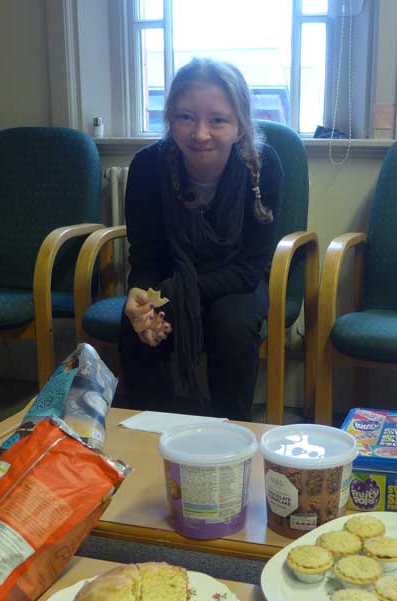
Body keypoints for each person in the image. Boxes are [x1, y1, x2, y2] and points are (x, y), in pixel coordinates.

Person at [118, 58, 282, 421]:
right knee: (135, 325)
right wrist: (139, 294)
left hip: (236, 280)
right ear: (170, 119)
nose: (200, 133)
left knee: (232, 326)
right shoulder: (148, 167)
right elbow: (145, 257)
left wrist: (175, 292)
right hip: (173, 275)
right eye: (185, 117)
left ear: (240, 126)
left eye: (218, 120)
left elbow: (250, 269)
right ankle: (150, 435)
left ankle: (231, 437)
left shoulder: (263, 166)